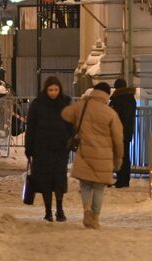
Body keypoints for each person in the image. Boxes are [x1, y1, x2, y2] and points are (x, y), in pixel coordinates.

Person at [61, 81, 123, 229]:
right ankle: (95, 217)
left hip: (85, 152)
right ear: (107, 95)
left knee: (86, 185)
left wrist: (82, 104)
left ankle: (86, 209)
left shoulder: (83, 106)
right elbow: (118, 139)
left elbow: (65, 114)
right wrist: (118, 158)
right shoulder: (110, 113)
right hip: (104, 155)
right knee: (99, 188)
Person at [25, 76, 73, 221]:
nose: (53, 93)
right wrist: (29, 148)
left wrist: (69, 141)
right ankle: (48, 212)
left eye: (56, 90)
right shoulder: (37, 104)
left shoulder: (66, 103)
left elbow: (71, 125)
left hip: (60, 148)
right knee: (45, 180)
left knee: (58, 178)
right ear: (46, 90)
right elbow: (31, 127)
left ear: (60, 90)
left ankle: (59, 209)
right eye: (50, 90)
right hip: (42, 149)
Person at [110, 79, 137, 188]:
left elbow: (115, 115)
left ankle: (121, 179)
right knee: (125, 156)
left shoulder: (118, 99)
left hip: (118, 132)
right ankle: (125, 179)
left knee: (119, 156)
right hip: (127, 132)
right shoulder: (131, 98)